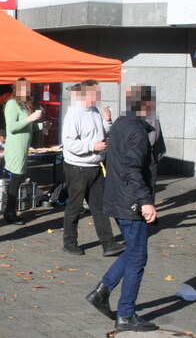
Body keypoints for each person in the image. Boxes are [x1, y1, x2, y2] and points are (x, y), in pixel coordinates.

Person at [85, 85, 159, 332]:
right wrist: (145, 201)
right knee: (138, 257)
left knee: (133, 251)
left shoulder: (119, 124)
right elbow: (131, 168)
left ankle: (103, 290)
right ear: (145, 106)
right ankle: (126, 313)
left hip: (117, 198)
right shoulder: (136, 131)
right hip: (130, 202)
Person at [61, 80, 123, 257]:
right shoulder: (74, 114)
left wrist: (108, 122)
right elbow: (69, 142)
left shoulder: (94, 111)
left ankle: (108, 243)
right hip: (78, 167)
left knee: (100, 206)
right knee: (75, 206)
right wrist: (91, 146)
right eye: (95, 93)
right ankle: (69, 242)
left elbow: (101, 133)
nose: (98, 96)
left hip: (95, 165)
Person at [3, 78, 42, 225]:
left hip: (23, 148)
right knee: (16, 179)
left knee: (17, 179)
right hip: (15, 149)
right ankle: (9, 212)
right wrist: (30, 119)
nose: (29, 90)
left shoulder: (25, 105)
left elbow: (27, 127)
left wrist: (41, 126)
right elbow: (12, 127)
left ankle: (10, 211)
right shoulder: (12, 104)